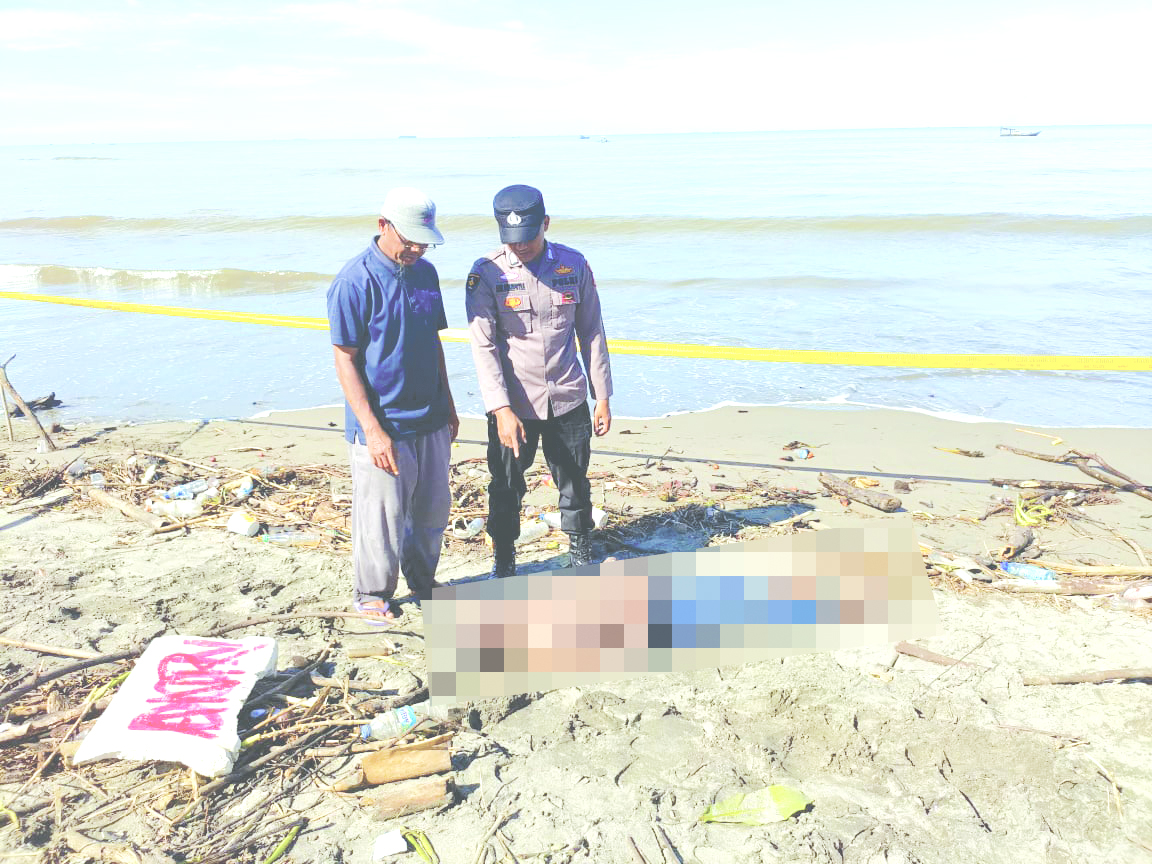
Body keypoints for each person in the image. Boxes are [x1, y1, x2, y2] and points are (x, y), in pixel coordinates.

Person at [465, 184, 613, 579]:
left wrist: (601, 395)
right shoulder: (486, 273)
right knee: (505, 485)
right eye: (511, 239)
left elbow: (591, 331)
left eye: (528, 237)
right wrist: (500, 409)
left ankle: (580, 551)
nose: (520, 246)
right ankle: (504, 559)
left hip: (568, 397)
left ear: (545, 223)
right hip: (514, 405)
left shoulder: (573, 265)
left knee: (575, 481)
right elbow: (483, 346)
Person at [327, 187, 459, 623]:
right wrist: (372, 429)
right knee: (380, 518)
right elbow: (345, 359)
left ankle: (423, 581)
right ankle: (372, 594)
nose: (417, 249)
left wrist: (449, 405)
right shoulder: (354, 282)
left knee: (433, 508)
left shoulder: (426, 274)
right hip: (383, 422)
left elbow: (434, 343)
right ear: (383, 225)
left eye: (424, 242)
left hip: (430, 415)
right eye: (410, 240)